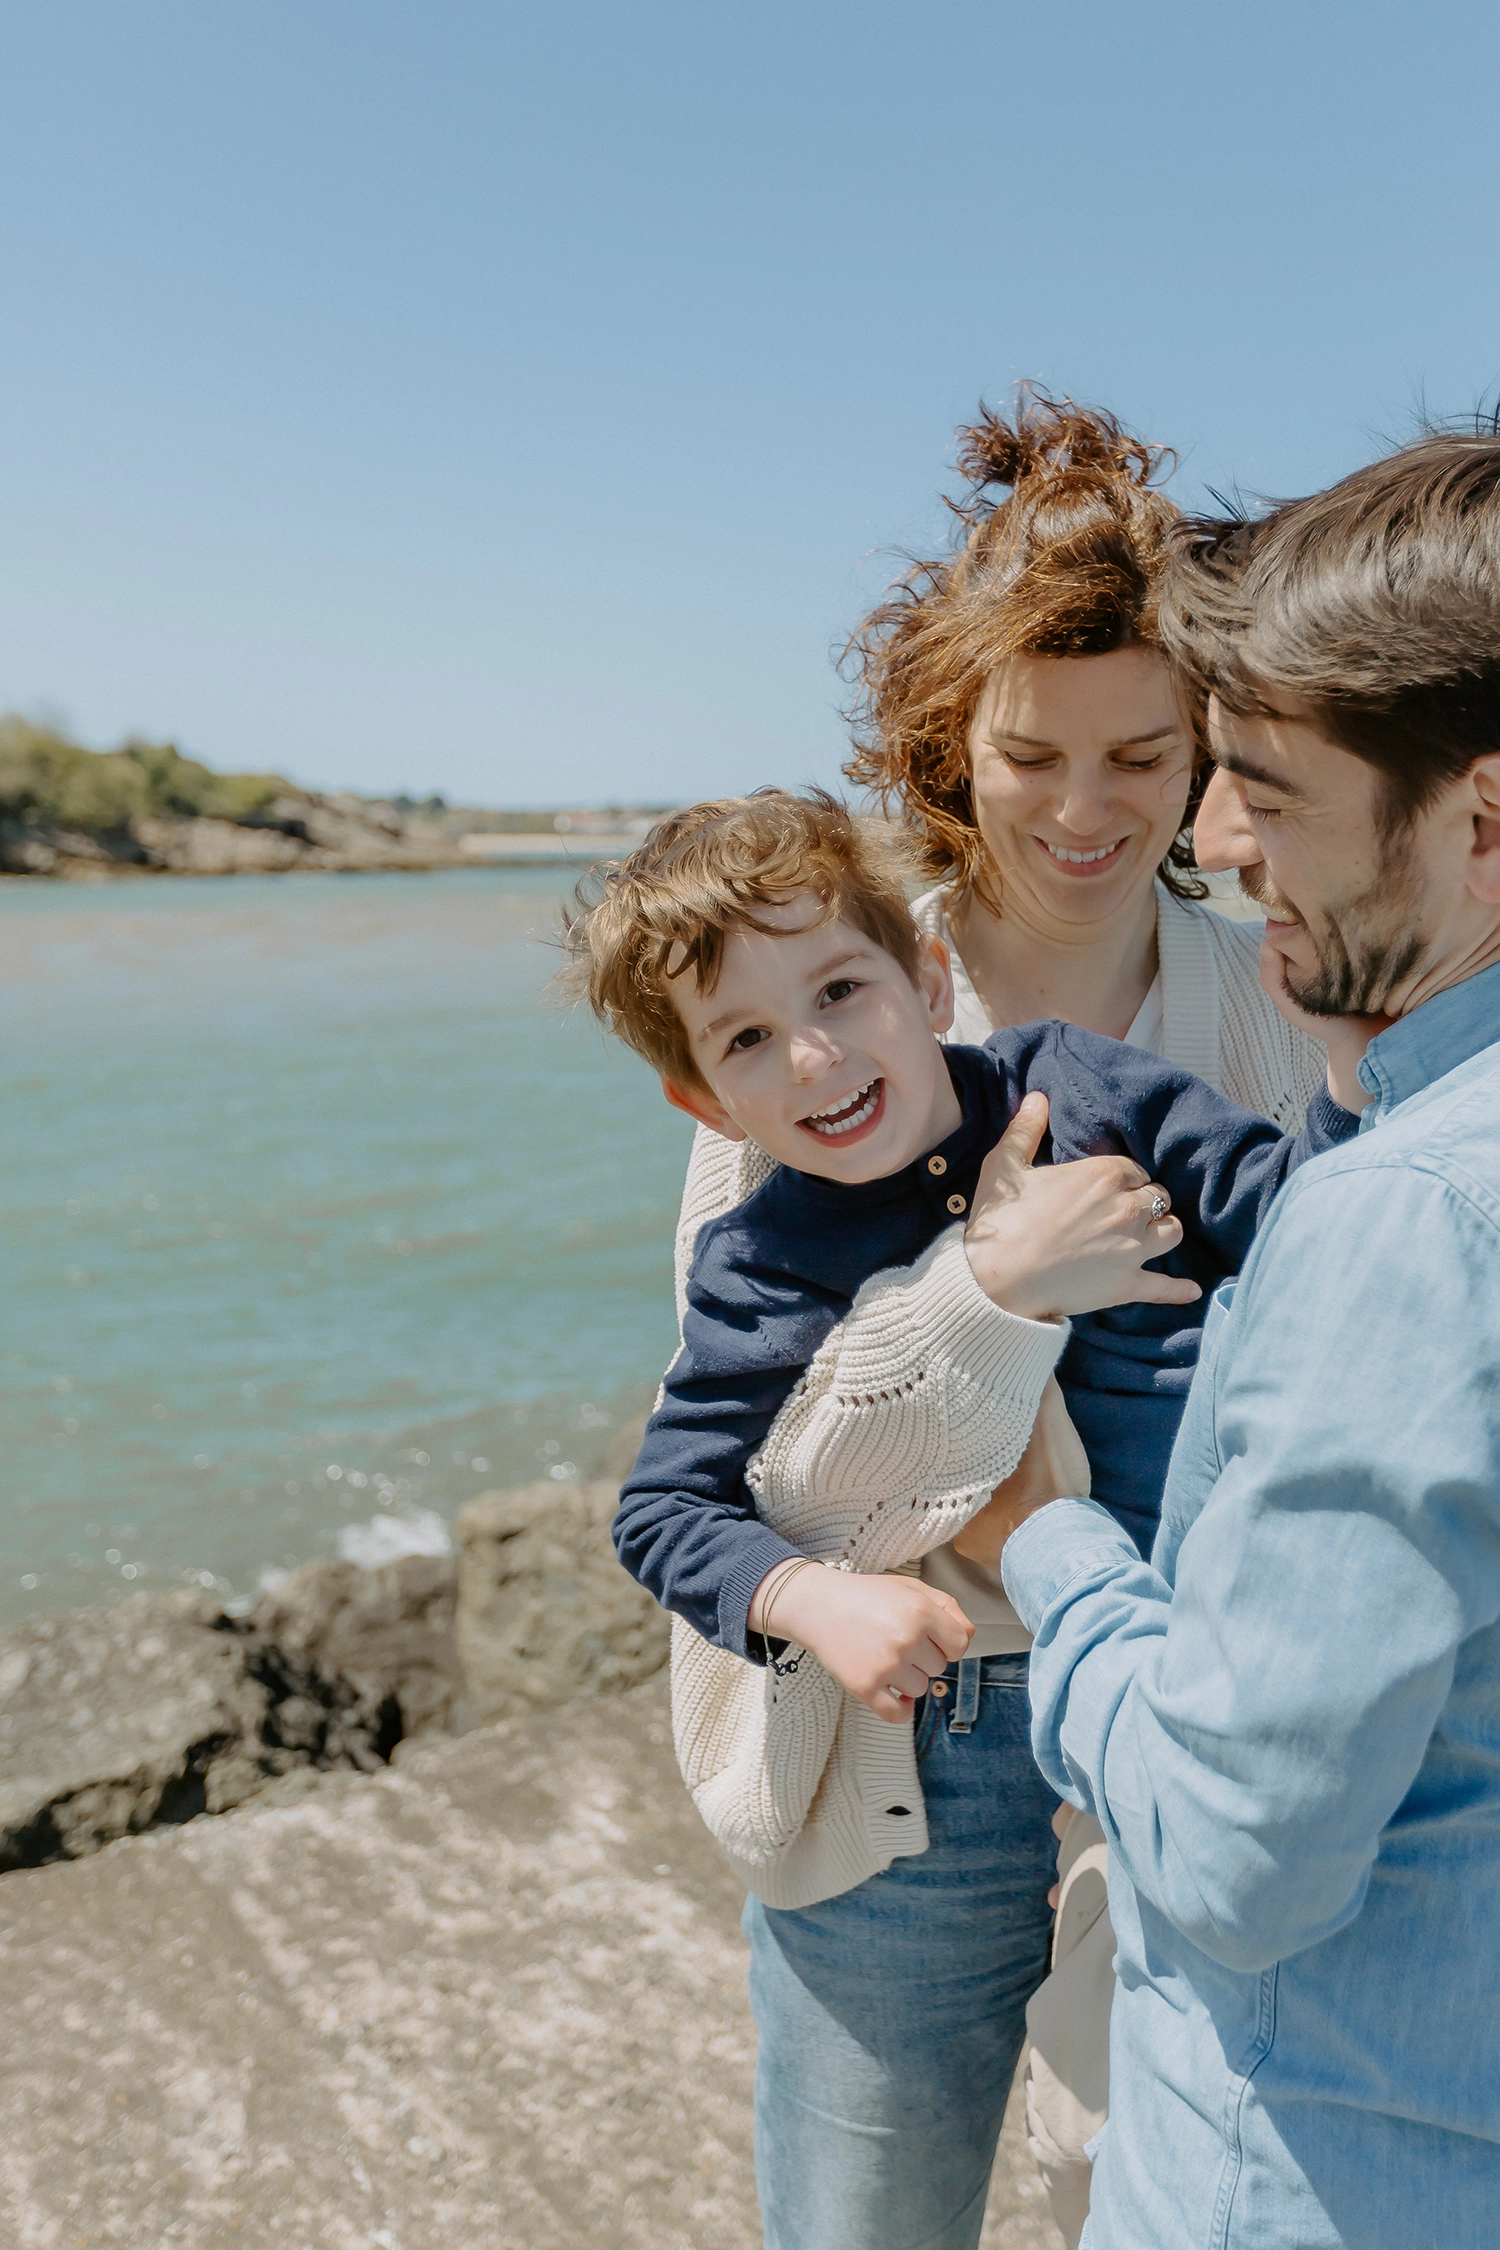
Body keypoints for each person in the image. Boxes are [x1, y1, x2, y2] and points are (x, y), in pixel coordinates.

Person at [666, 393, 1333, 2250]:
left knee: (1159, 2193)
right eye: (1034, 755)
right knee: (873, 2213)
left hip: (1196, 1689)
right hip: (906, 1717)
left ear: (1204, 740)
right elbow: (765, 1475)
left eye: (1143, 754)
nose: (1089, 811)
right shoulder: (835, 1009)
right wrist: (987, 1292)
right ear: (947, 742)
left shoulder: (1271, 999)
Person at [975, 425, 1500, 2248]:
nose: (1218, 838)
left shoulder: (1412, 1221)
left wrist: (1042, 1534)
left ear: (1482, 822)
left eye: (1263, 789)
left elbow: (1232, 1847)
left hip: (1317, 2164)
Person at [568, 785, 1358, 1901]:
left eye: (841, 990)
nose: (811, 1053)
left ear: (932, 983)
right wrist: (814, 1600)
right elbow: (664, 1508)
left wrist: (1345, 1057)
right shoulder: (763, 1264)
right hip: (960, 1722)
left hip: (1220, 1648)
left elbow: (1299, 1217)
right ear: (704, 1104)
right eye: (746, 1037)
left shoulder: (1080, 1084)